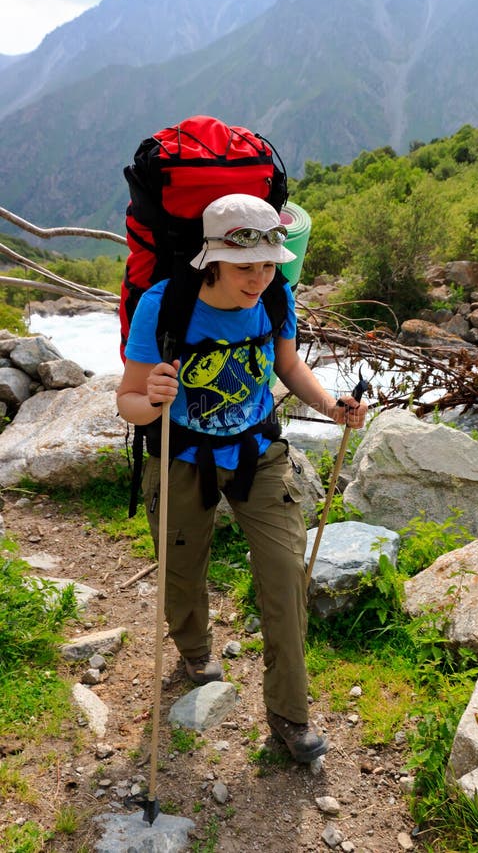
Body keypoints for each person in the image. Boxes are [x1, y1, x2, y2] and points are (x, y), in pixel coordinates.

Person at [116, 193, 367, 763]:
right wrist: (150, 399)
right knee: (182, 570)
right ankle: (195, 650)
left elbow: (287, 364)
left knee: (284, 574)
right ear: (211, 259)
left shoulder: (277, 295)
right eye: (245, 267)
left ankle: (289, 713)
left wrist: (331, 407)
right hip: (182, 454)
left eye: (268, 265)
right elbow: (128, 401)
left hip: (258, 449)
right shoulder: (166, 305)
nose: (258, 279)